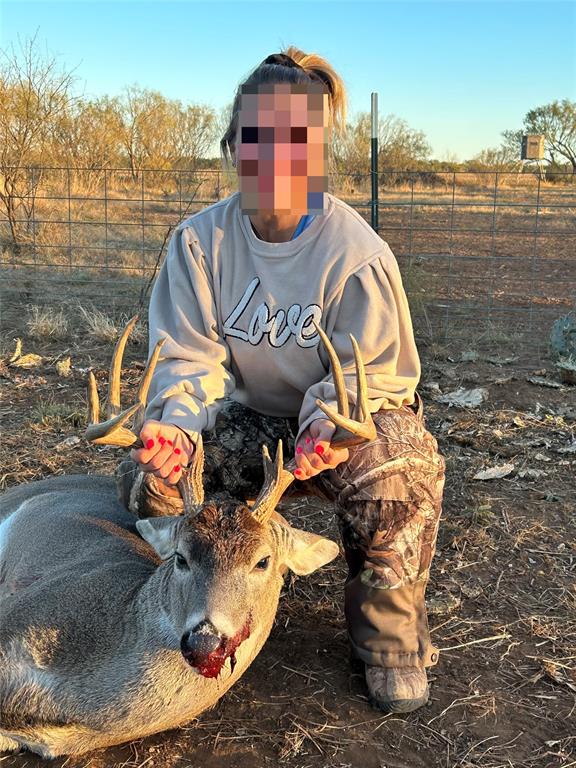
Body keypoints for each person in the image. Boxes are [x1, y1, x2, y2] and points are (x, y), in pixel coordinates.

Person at [124, 47, 446, 714]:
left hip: (325, 428)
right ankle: (172, 613)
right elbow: (186, 359)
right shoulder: (197, 244)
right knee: (151, 481)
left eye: (295, 140)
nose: (275, 158)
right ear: (232, 145)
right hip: (241, 424)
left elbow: (377, 370)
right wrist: (176, 428)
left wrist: (328, 420)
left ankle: (387, 638)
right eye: (257, 138)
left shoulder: (356, 255)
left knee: (396, 466)